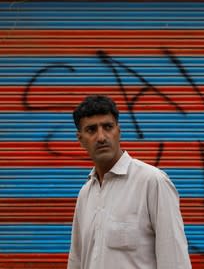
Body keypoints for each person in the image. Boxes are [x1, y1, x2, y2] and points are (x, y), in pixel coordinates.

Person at [67, 95, 191, 269]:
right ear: (80, 140)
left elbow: (174, 259)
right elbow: (77, 260)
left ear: (119, 131)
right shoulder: (86, 194)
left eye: (108, 127)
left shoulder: (152, 182)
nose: (101, 137)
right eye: (91, 130)